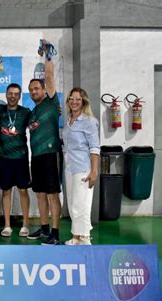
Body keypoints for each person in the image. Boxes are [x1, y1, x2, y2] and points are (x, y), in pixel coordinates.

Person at [27, 41, 62, 245]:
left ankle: (55, 234)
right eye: (31, 90)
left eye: (36, 88)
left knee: (52, 195)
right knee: (39, 194)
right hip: (37, 157)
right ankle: (44, 228)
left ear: (44, 90)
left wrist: (48, 56)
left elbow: (49, 77)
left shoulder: (51, 103)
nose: (33, 92)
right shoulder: (32, 113)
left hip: (51, 155)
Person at [0, 82, 31, 238]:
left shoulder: (26, 112)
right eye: (10, 93)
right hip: (4, 157)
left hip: (20, 158)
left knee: (23, 191)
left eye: (16, 94)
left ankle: (25, 225)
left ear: (20, 96)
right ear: (6, 95)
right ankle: (7, 225)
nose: (13, 96)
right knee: (6, 191)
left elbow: (38, 121)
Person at [62, 88, 99, 245]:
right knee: (72, 204)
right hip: (70, 168)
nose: (74, 102)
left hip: (83, 169)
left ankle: (84, 239)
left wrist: (94, 171)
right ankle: (76, 237)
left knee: (81, 205)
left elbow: (95, 147)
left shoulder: (89, 121)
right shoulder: (68, 120)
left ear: (83, 101)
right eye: (72, 98)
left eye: (78, 99)